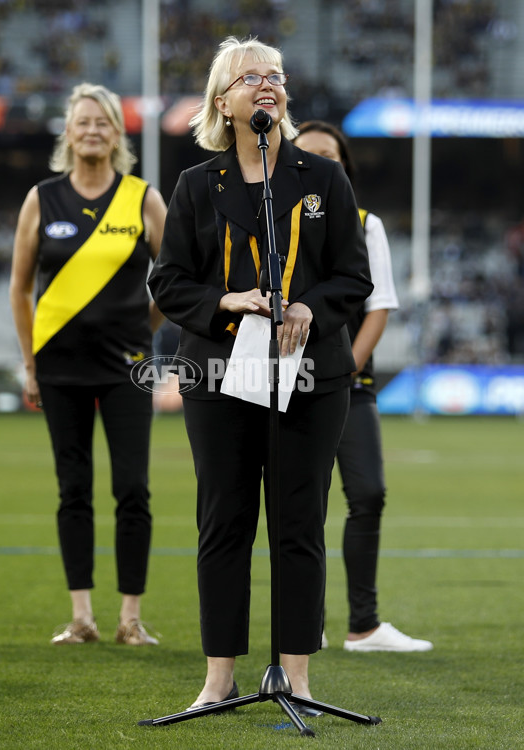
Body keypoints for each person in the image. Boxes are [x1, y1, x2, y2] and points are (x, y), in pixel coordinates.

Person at [148, 37, 373, 714]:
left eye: (274, 75)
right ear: (225, 101)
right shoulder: (195, 185)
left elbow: (352, 278)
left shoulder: (324, 177)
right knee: (224, 521)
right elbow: (168, 281)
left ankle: (297, 678)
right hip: (217, 372)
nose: (267, 84)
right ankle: (219, 679)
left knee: (299, 524)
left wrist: (308, 304)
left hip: (313, 375)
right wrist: (223, 301)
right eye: (251, 77)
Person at [9, 82, 167, 646]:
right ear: (68, 134)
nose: (92, 130)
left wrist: (138, 334)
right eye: (83, 122)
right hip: (58, 369)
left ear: (117, 135)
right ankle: (81, 617)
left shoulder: (142, 198)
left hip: (128, 368)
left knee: (133, 489)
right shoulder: (41, 199)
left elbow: (174, 282)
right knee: (72, 488)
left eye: (103, 122)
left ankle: (129, 618)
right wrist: (30, 363)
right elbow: (20, 287)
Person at [293, 121, 433, 653]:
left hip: (347, 384)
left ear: (344, 168)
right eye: (308, 153)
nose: (321, 162)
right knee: (302, 505)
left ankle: (365, 626)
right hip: (285, 383)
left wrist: (345, 368)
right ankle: (307, 626)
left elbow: (378, 307)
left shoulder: (363, 223)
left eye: (330, 155)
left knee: (368, 493)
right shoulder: (270, 219)